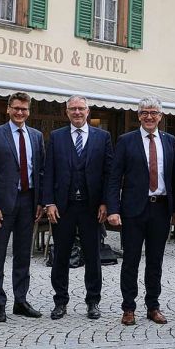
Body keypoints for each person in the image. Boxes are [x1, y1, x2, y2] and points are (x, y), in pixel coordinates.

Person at [107, 97, 175, 326]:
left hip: (161, 209)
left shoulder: (170, 141)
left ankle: (153, 306)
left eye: (154, 112)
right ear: (138, 116)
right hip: (133, 210)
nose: (149, 116)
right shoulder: (126, 141)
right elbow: (114, 177)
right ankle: (128, 308)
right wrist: (113, 209)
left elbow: (174, 177)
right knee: (130, 261)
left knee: (155, 261)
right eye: (145, 112)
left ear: (160, 116)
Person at [42, 95, 113, 321]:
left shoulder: (103, 137)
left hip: (92, 208)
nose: (77, 112)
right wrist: (49, 202)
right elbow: (48, 171)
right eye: (73, 109)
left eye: (81, 108)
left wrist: (105, 202)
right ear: (67, 112)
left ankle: (93, 301)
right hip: (64, 207)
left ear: (88, 111)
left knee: (93, 256)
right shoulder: (56, 137)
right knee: (61, 255)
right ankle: (60, 301)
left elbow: (108, 173)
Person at [0, 92, 45, 322]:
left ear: (29, 111)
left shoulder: (37, 136)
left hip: (28, 202)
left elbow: (40, 171)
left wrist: (41, 201)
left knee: (23, 255)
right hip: (1, 204)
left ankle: (21, 300)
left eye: (24, 109)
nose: (20, 112)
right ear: (8, 109)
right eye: (16, 108)